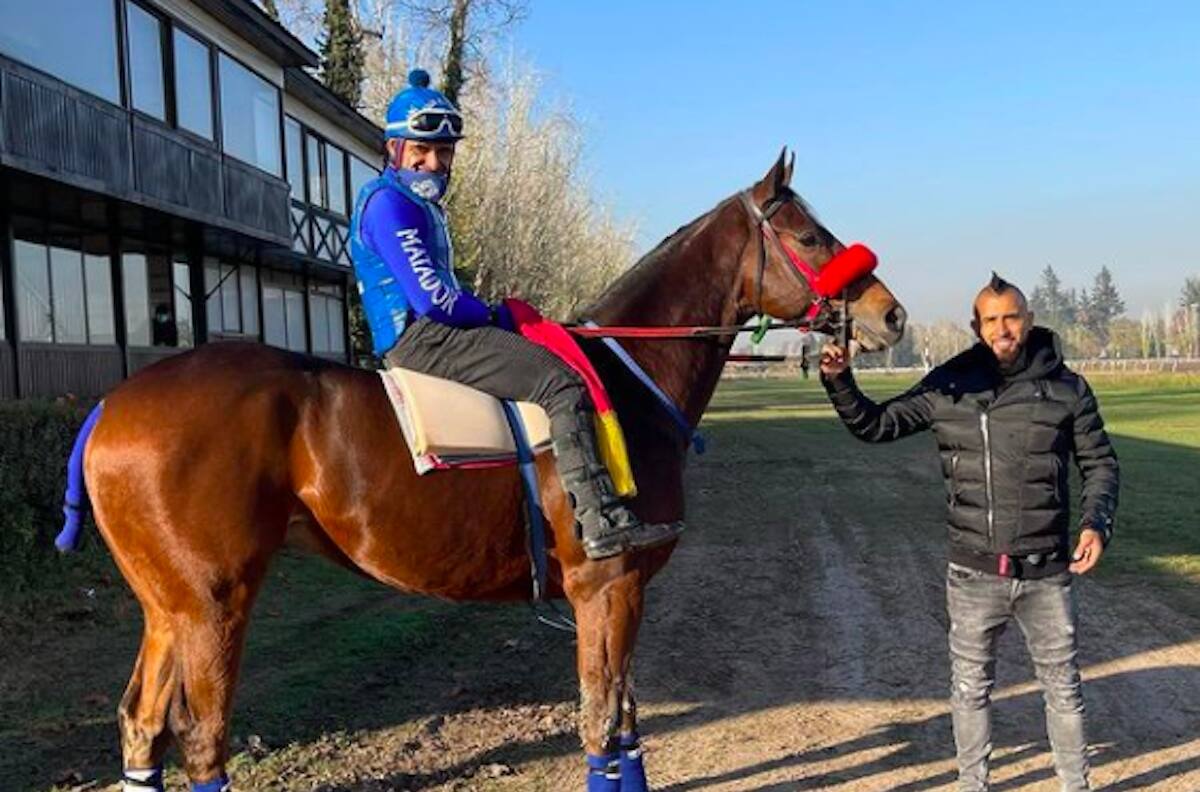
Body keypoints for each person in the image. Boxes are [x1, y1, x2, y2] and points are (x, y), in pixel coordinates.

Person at [349, 69, 680, 560]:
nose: (433, 162)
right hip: (424, 338)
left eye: (444, 153)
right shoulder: (390, 207)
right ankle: (599, 520)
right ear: (394, 148)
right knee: (561, 382)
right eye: (421, 149)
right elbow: (433, 299)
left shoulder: (409, 203)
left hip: (429, 332)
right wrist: (489, 314)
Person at [818, 273, 1120, 791]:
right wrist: (841, 381)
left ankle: (1076, 784)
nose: (1003, 328)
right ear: (977, 326)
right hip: (974, 574)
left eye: (1012, 317)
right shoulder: (948, 385)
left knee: (1064, 690)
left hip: (1047, 573)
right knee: (969, 690)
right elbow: (875, 424)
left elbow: (1100, 465)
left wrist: (1096, 523)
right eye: (992, 319)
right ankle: (972, 784)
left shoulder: (1067, 388)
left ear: (1028, 319)